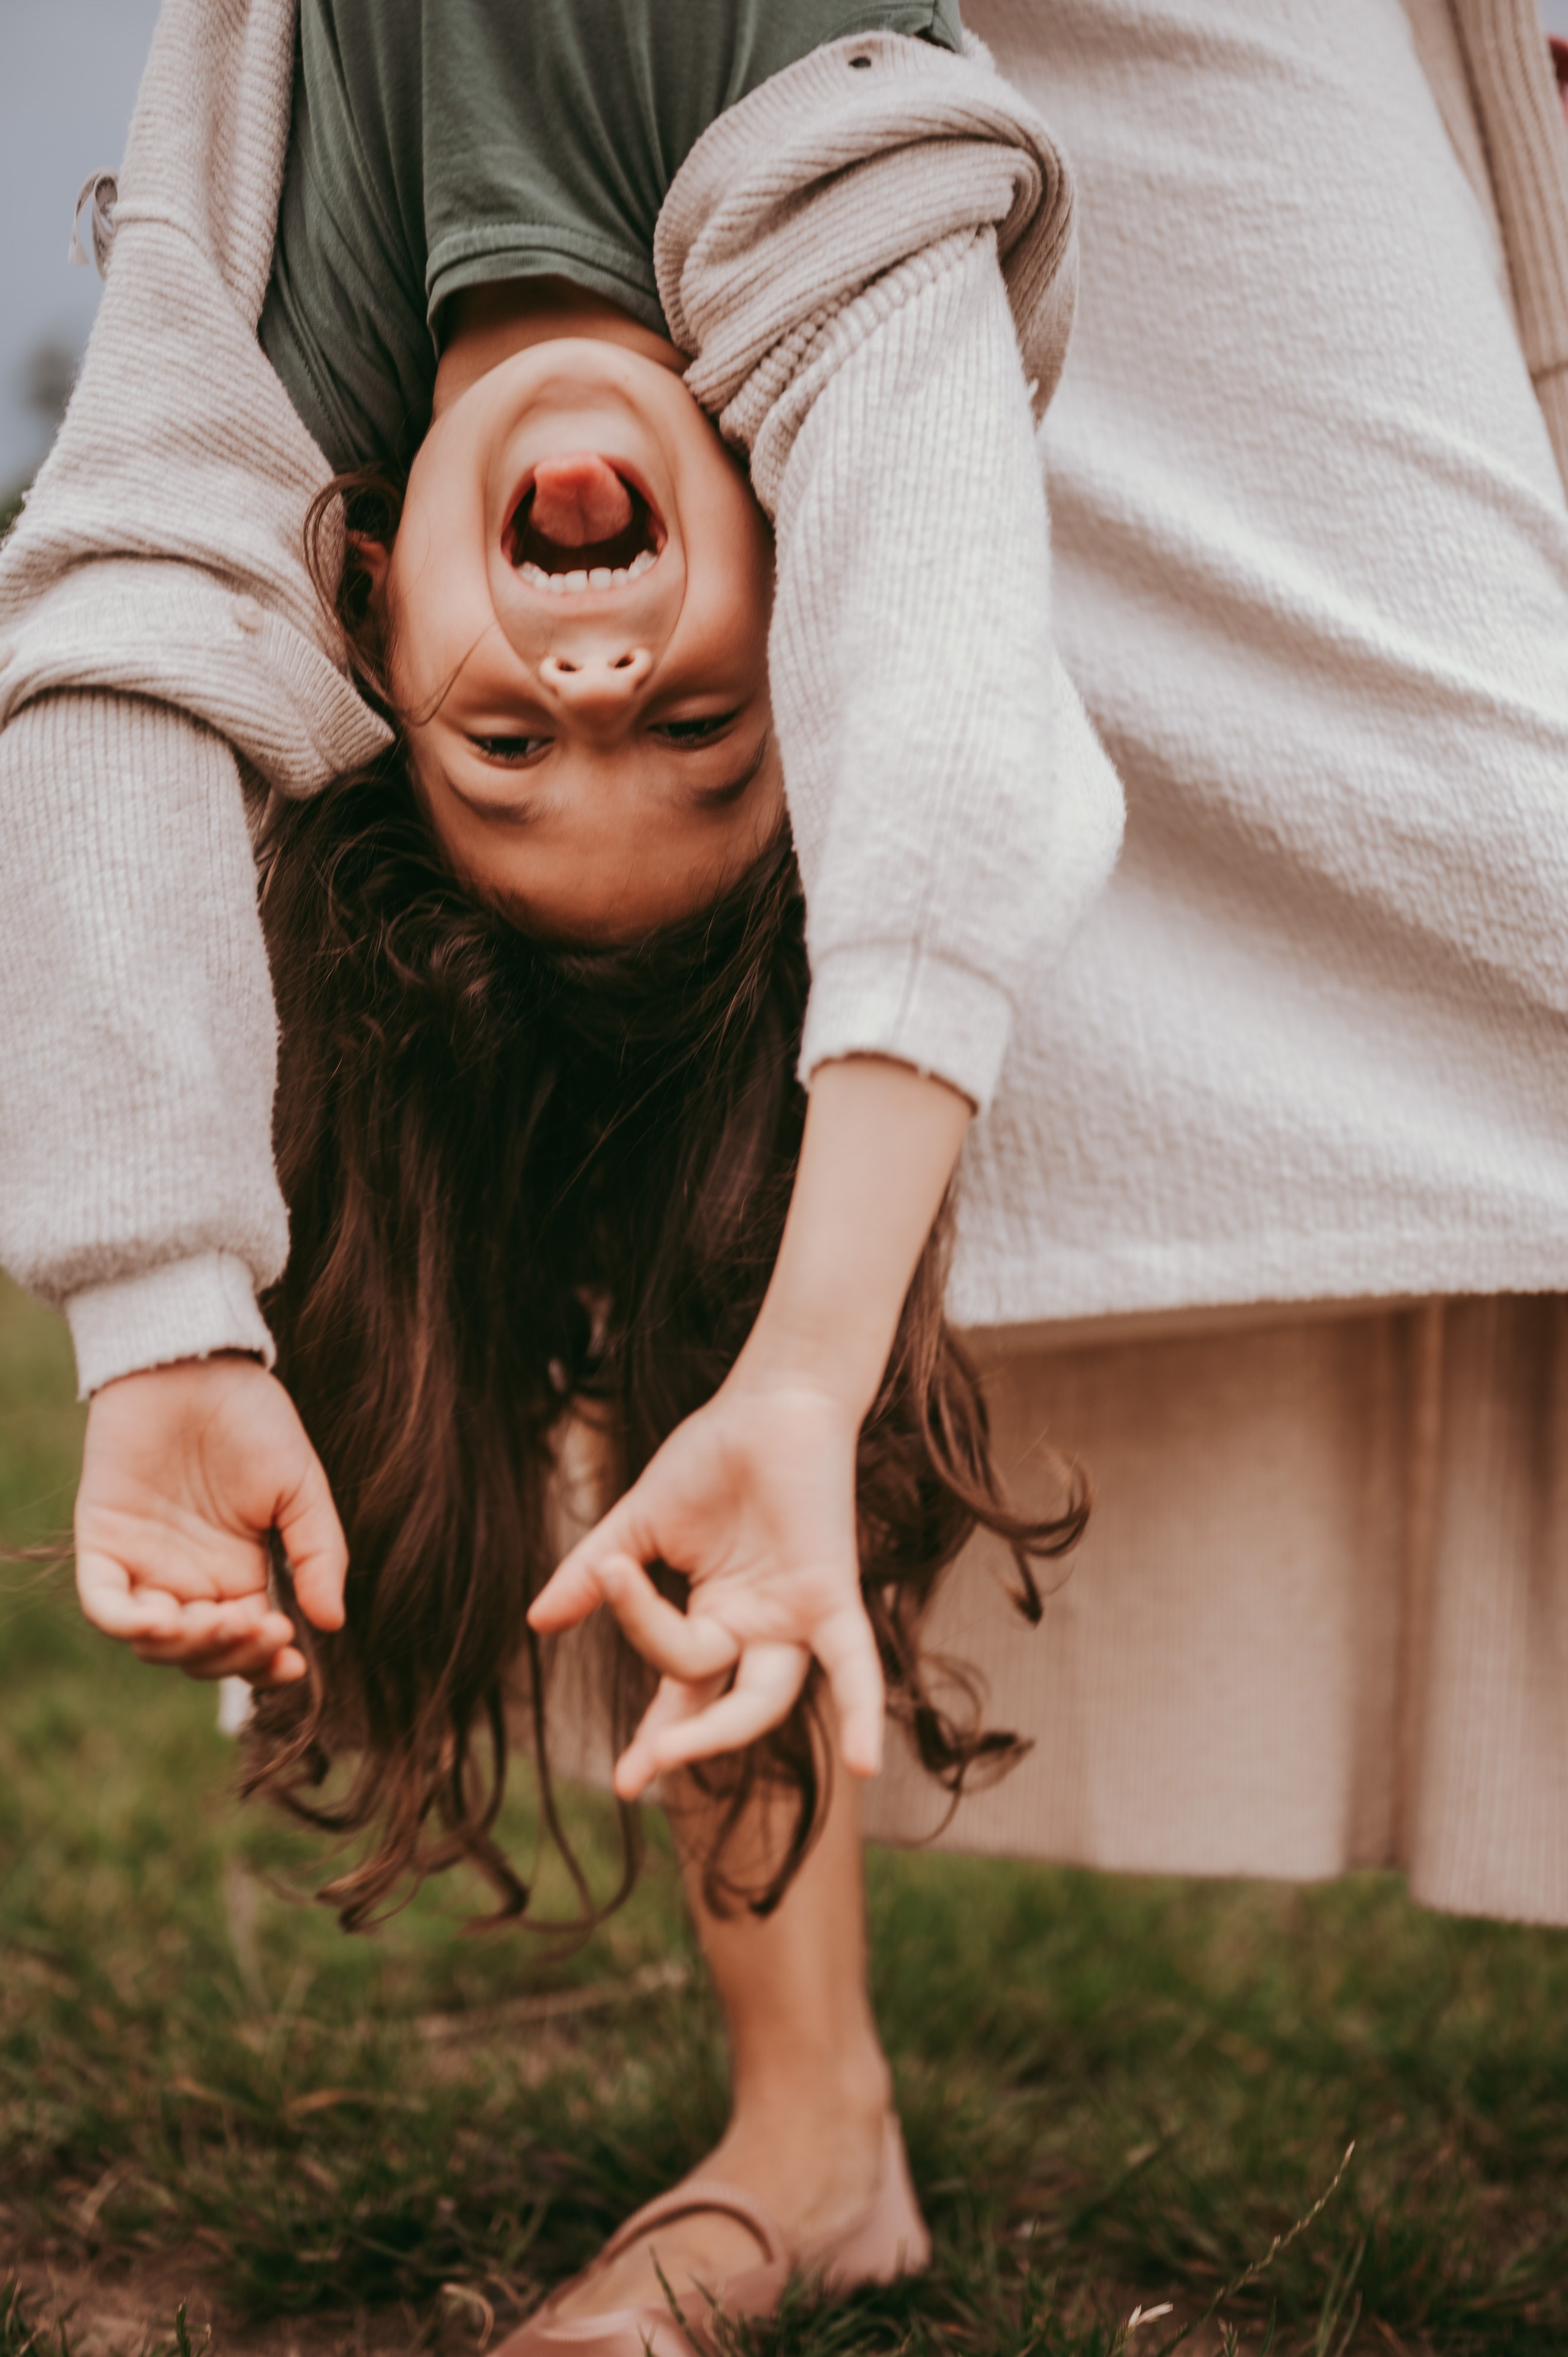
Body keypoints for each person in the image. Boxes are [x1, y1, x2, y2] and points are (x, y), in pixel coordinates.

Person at [8, 0, 1568, 2351]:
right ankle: (812, 2130)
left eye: (505, 745)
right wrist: (807, 1372)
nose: (598, 685)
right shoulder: (851, 245)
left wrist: (160, 1330)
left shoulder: (272, 366)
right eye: (705, 727)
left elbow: (120, 631)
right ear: (796, 556)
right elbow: (936, 691)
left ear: (361, 609)